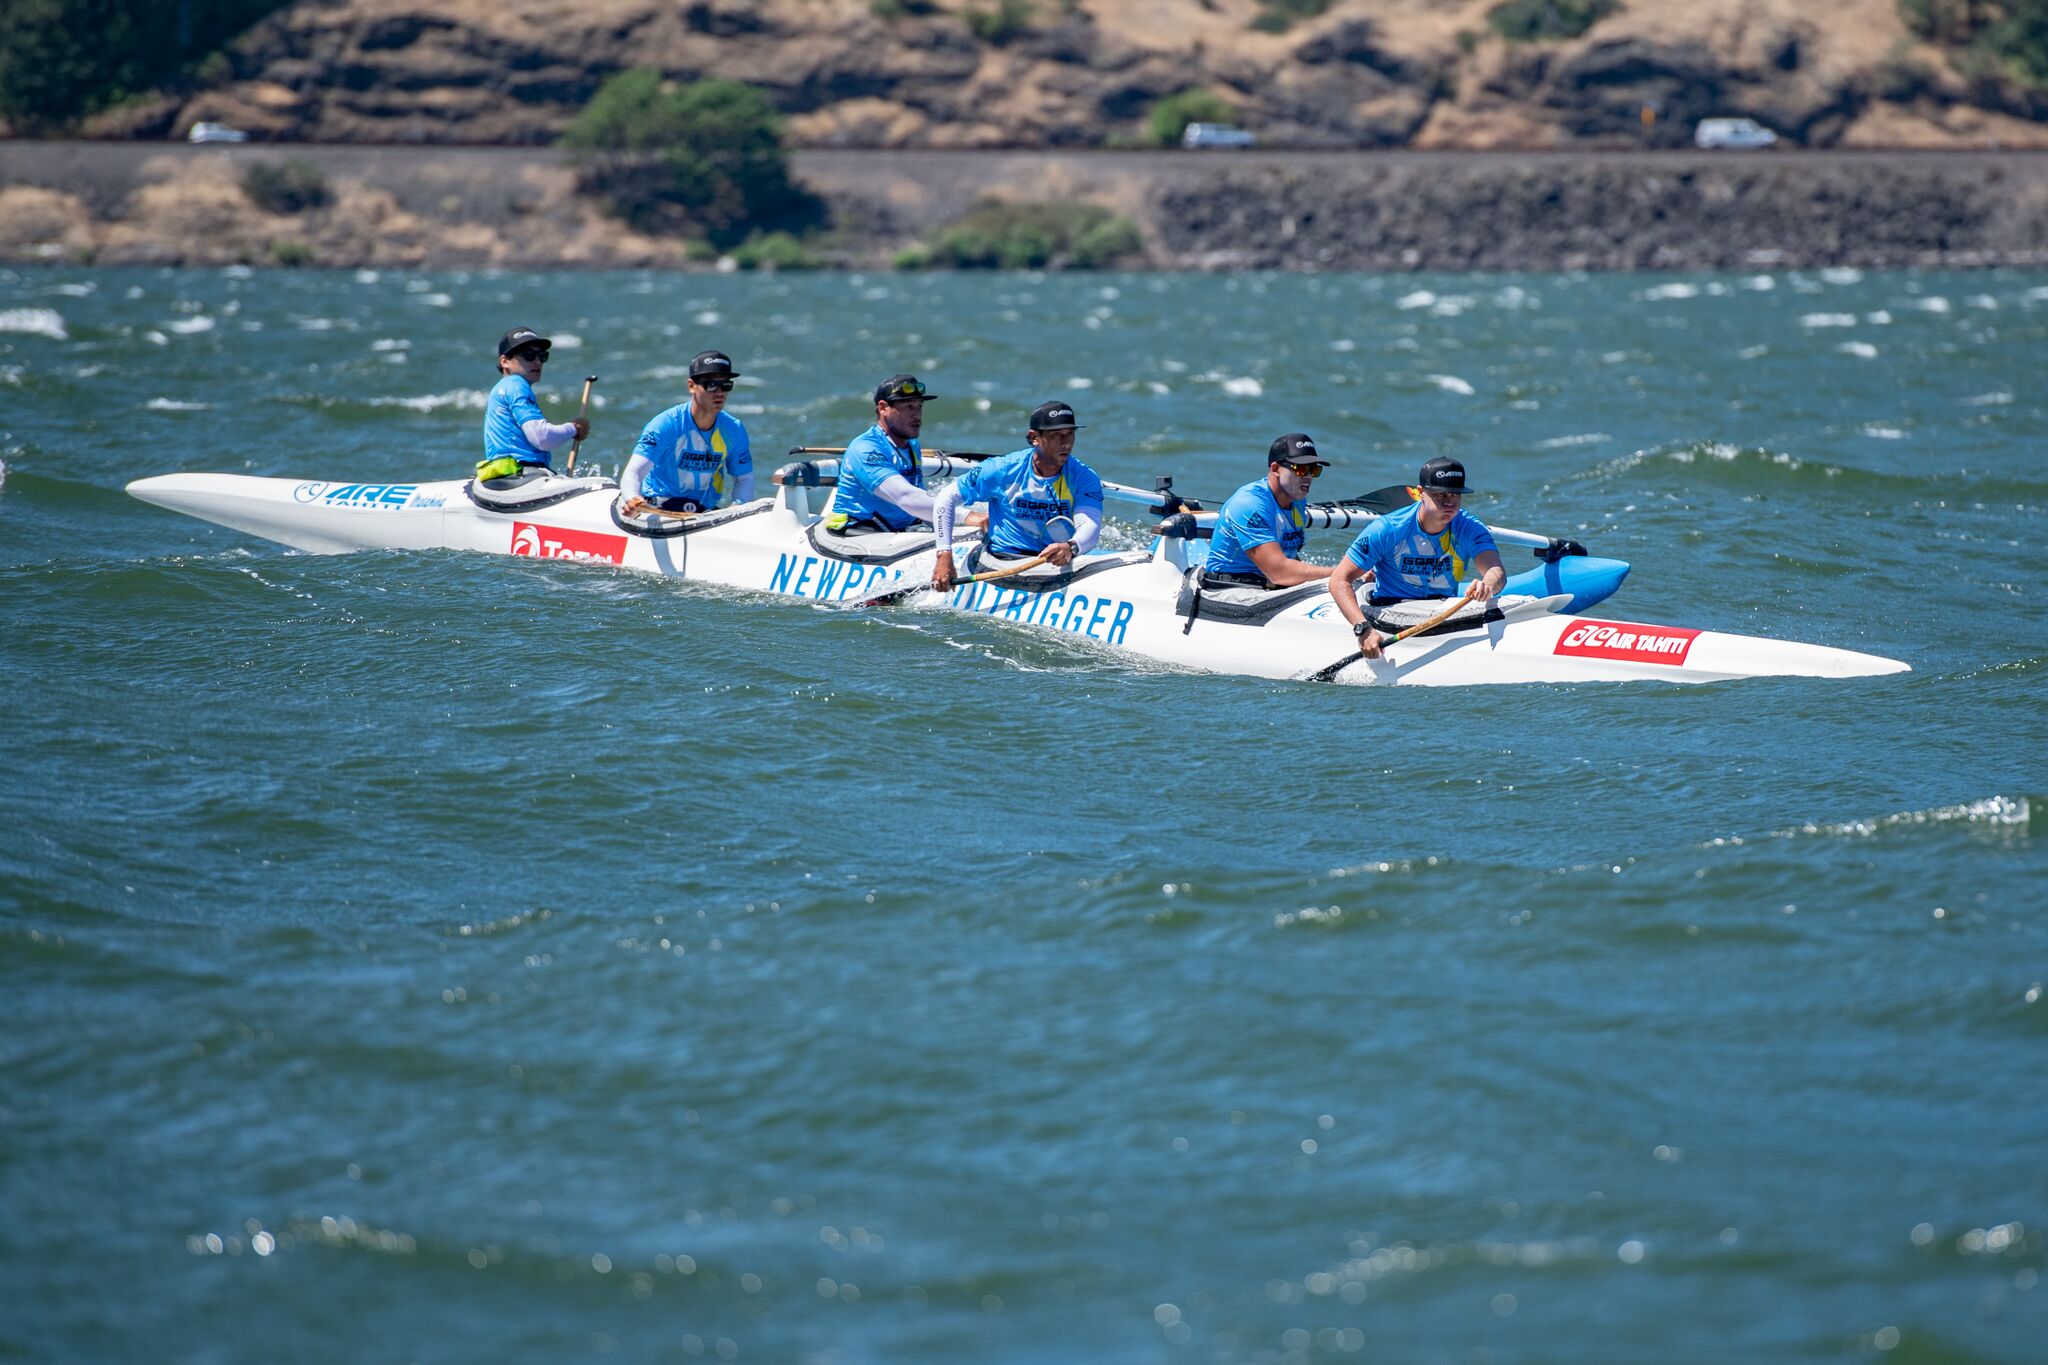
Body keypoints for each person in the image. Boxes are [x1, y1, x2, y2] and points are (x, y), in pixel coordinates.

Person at [1327, 457, 1507, 659]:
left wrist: (1488, 585)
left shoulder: (1469, 527)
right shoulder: (1388, 529)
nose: (1449, 503)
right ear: (1421, 493)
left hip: (1441, 612)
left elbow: (1496, 570)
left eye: (1455, 495)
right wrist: (1362, 629)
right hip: (1391, 611)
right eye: (1441, 495)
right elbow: (1339, 580)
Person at [930, 400, 1105, 591]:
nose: (1066, 443)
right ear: (1034, 437)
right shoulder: (1002, 469)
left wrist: (1071, 547)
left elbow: (1090, 524)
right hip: (1004, 561)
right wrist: (944, 555)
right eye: (1056, 435)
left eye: (1070, 434)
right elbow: (946, 497)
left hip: (1053, 561)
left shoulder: (1083, 476)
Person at [619, 350, 753, 516]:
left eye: (726, 385)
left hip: (704, 512)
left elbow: (744, 480)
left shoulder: (734, 429)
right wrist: (633, 500)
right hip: (658, 507)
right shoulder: (666, 424)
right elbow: (634, 472)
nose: (719, 393)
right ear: (691, 386)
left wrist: (737, 508)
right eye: (711, 385)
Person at [1200, 433, 1335, 589]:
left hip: (1270, 586)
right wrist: (1340, 573)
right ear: (1276, 468)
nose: (1309, 476)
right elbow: (1280, 573)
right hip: (1230, 589)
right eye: (1302, 469)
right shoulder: (1250, 503)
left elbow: (1288, 557)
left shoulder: (1297, 500)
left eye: (1314, 470)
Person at [822, 374, 939, 535]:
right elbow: (906, 497)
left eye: (919, 406)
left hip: (898, 531)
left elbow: (919, 495)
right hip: (858, 532)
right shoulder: (866, 449)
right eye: (908, 407)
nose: (917, 415)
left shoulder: (911, 444)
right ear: (883, 408)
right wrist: (967, 516)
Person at [477, 327, 589, 482]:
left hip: (500, 474)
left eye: (542, 356)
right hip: (520, 474)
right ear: (505, 361)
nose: (537, 362)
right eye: (528, 356)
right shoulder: (516, 384)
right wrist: (574, 429)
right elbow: (541, 437)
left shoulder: (502, 387)